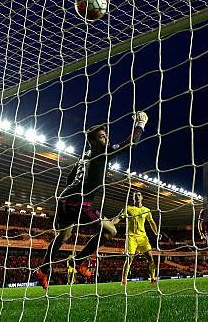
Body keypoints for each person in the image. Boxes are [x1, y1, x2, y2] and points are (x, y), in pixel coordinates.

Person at [35, 111, 148, 289]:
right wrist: (140, 125)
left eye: (106, 136)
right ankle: (79, 261)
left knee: (64, 236)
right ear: (94, 142)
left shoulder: (84, 156)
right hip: (80, 202)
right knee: (111, 231)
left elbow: (69, 178)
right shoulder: (101, 153)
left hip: (64, 199)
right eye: (102, 137)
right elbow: (130, 144)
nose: (107, 140)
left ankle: (43, 270)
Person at [115, 191, 159, 285]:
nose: (137, 196)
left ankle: (152, 278)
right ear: (133, 198)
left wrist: (157, 233)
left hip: (143, 237)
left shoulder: (146, 210)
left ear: (142, 197)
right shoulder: (128, 208)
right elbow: (118, 218)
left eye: (139, 195)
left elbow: (151, 222)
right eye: (135, 196)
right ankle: (124, 279)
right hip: (131, 237)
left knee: (150, 258)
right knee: (129, 259)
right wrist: (111, 223)